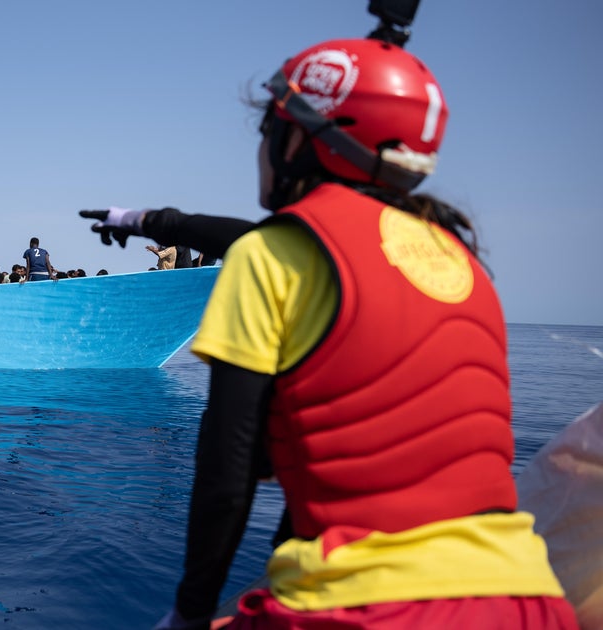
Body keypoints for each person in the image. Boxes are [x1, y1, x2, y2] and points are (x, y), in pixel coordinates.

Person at [83, 32, 577, 630]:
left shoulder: (271, 259)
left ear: (301, 140)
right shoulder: (459, 263)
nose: (260, 149)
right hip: (526, 601)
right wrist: (144, 220)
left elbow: (226, 473)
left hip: (364, 610)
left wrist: (187, 613)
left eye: (267, 130)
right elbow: (291, 242)